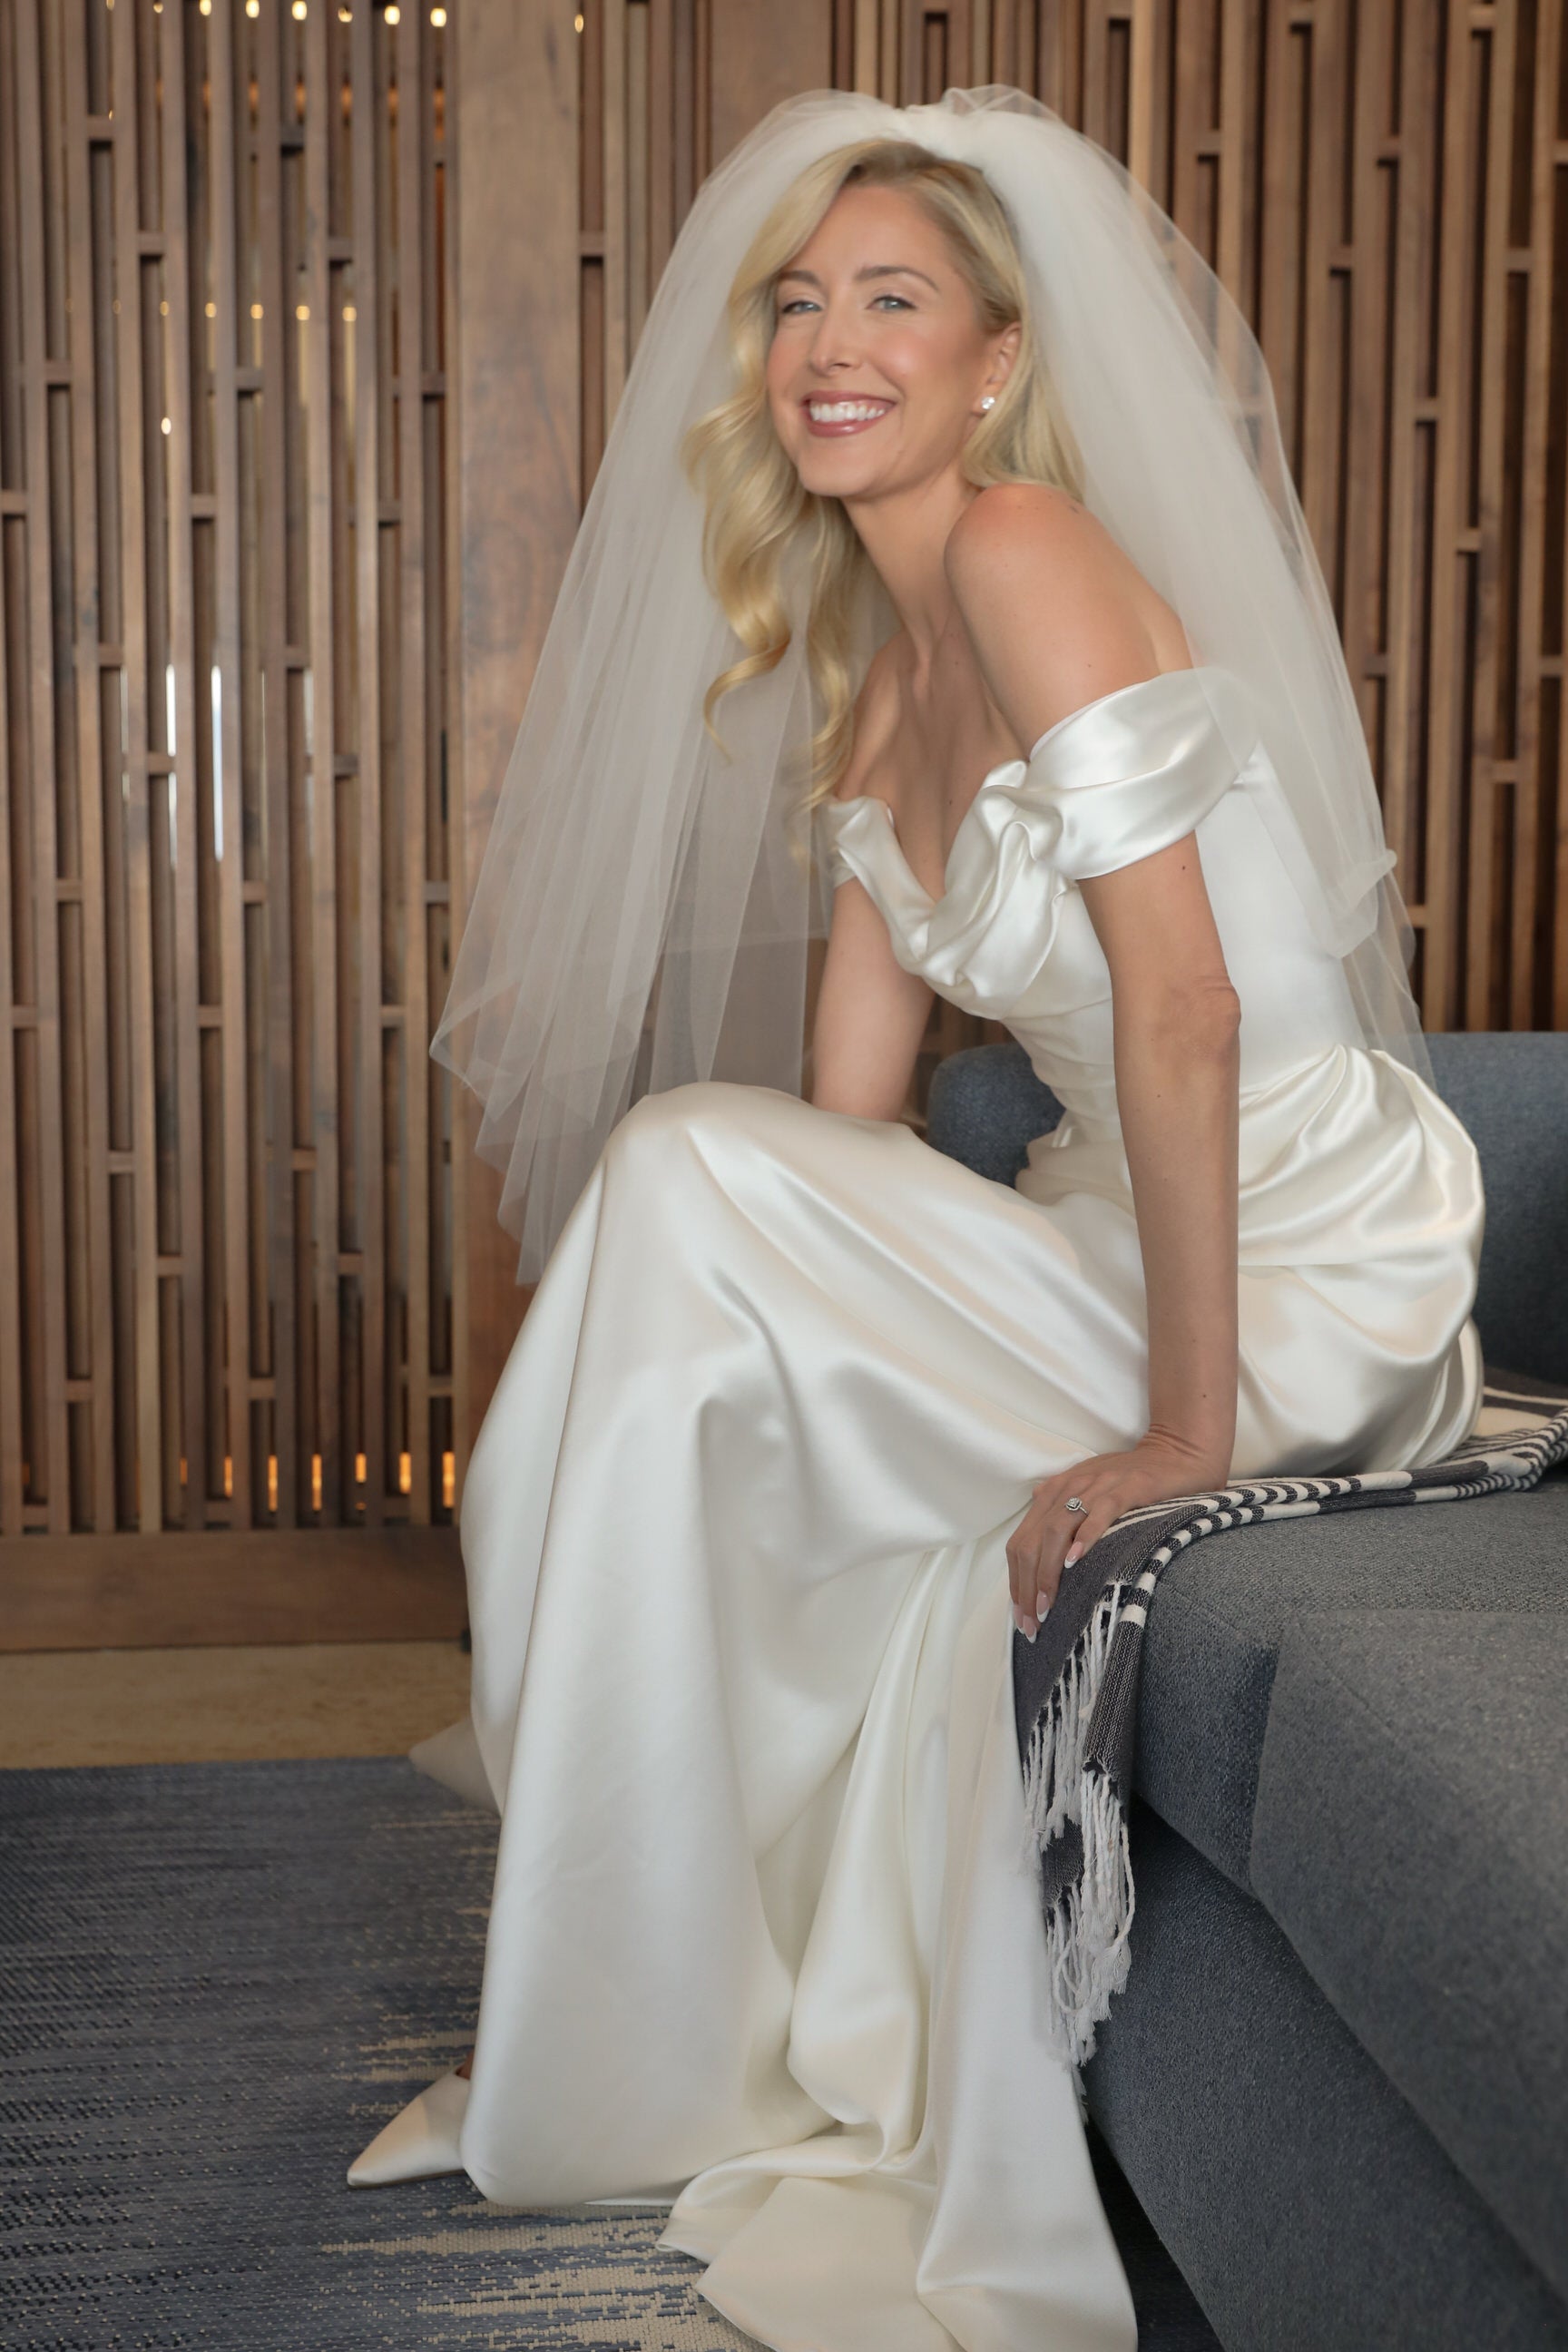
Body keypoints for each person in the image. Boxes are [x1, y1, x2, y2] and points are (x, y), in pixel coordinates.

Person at [345, 86, 1484, 2351]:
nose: (829, 342)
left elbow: (1186, 1005)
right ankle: (635, 1938)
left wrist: (1185, 1437)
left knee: (678, 1174)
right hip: (1085, 1232)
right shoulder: (873, 694)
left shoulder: (1029, 556)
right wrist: (756, 1333)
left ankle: (619, 1973)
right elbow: (839, 1146)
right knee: (695, 1209)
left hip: (1295, 1252)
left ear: (993, 361)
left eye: (894, 300)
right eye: (798, 303)